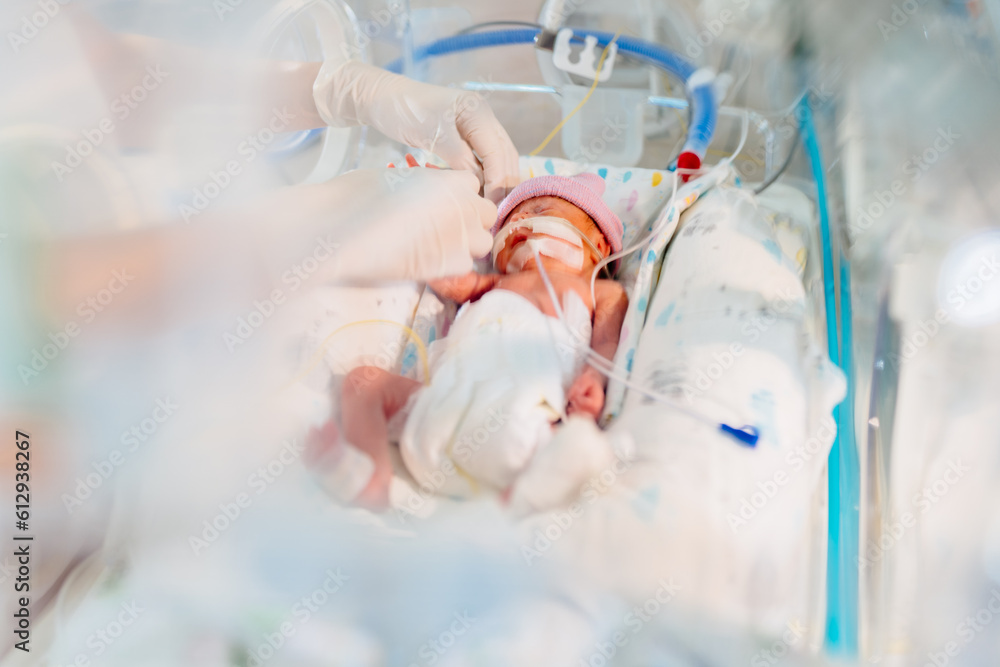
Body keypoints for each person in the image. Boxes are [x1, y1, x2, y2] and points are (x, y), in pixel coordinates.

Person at [308, 169, 629, 509]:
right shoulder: (491, 285)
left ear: (599, 246)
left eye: (539, 212)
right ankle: (370, 479)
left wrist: (594, 378)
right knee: (363, 382)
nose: (519, 220)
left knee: (580, 447)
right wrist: (422, 203)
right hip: (437, 412)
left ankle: (534, 490)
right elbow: (444, 275)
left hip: (520, 419)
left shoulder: (600, 291)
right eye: (510, 221)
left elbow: (607, 343)